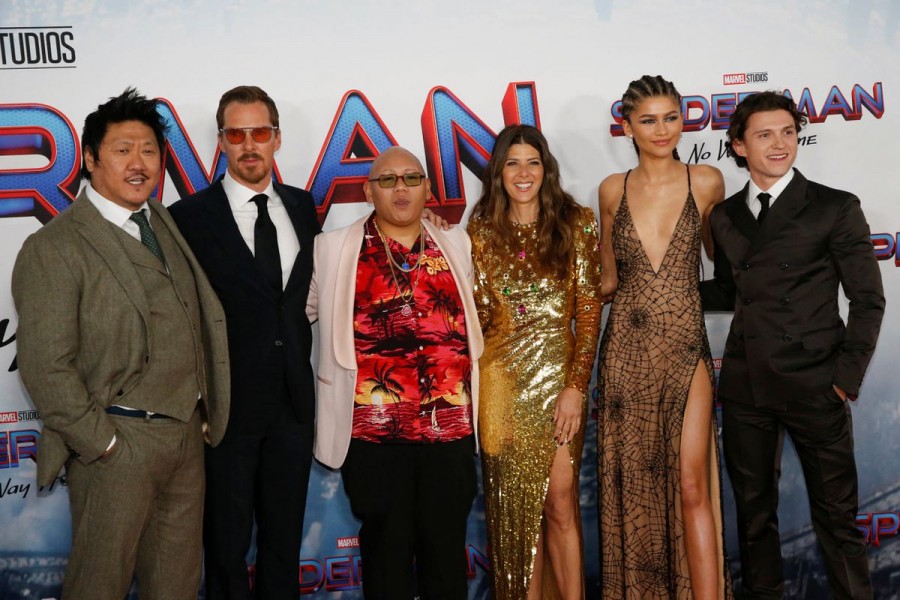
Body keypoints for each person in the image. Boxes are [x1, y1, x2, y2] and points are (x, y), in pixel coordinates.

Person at [11, 88, 230, 599]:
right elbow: (46, 366)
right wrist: (104, 445)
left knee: (176, 586)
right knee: (98, 586)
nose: (139, 163)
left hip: (184, 441)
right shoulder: (54, 247)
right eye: (123, 150)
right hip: (115, 446)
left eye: (150, 151)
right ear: (89, 159)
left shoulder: (163, 222)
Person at [701, 91, 885, 599]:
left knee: (838, 521)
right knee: (755, 520)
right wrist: (659, 287)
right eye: (764, 134)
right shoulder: (724, 216)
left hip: (816, 384)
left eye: (787, 132)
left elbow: (868, 300)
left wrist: (844, 381)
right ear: (739, 146)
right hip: (747, 387)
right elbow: (730, 291)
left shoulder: (835, 206)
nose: (780, 144)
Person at [307, 146, 482, 600]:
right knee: (386, 560)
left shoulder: (456, 242)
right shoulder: (332, 248)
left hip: (450, 433)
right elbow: (302, 312)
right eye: (387, 180)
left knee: (445, 558)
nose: (400, 188)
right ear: (368, 190)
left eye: (411, 178)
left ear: (427, 188)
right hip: (375, 437)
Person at [169, 85, 320, 600]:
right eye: (237, 134)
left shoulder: (303, 207)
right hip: (226, 412)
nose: (249, 144)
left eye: (260, 132)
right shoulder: (188, 217)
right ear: (221, 142)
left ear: (277, 138)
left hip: (294, 405)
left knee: (284, 547)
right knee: (226, 550)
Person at [597, 75, 733, 599]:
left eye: (671, 117)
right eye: (648, 120)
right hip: (625, 354)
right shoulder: (613, 189)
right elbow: (607, 280)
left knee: (692, 482)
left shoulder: (707, 181)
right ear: (627, 126)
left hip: (684, 347)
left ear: (685, 119)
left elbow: (722, 261)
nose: (661, 130)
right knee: (635, 490)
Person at [466, 124, 602, 599]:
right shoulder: (480, 230)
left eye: (533, 162)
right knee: (512, 517)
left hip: (558, 381)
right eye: (512, 163)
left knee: (561, 503)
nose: (523, 173)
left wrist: (575, 388)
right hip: (500, 385)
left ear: (546, 169)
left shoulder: (576, 222)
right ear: (498, 172)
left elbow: (588, 312)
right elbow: (478, 316)